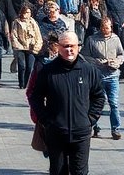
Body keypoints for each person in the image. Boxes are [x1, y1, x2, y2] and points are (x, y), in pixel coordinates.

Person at [29, 32, 107, 175]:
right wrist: (46, 120)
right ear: (58, 47)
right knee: (58, 171)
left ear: (78, 47)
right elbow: (35, 97)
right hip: (56, 132)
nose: (69, 50)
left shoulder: (88, 70)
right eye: (65, 46)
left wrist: (90, 119)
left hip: (81, 133)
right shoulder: (48, 71)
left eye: (72, 46)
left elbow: (99, 96)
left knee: (80, 172)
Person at [83, 16, 124, 140]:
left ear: (111, 27)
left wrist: (117, 62)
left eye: (107, 27)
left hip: (113, 74)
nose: (105, 29)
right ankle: (95, 127)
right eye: (103, 27)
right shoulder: (92, 39)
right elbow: (85, 56)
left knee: (114, 103)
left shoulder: (116, 39)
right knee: (97, 102)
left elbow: (121, 54)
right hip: (98, 75)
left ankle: (115, 129)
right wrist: (97, 62)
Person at [10, 5, 43, 90]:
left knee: (29, 66)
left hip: (31, 47)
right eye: (26, 12)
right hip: (21, 47)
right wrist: (17, 46)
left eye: (29, 12)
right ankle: (21, 83)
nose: (27, 14)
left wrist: (37, 46)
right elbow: (14, 35)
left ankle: (26, 83)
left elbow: (38, 35)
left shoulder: (33, 22)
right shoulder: (16, 22)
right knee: (22, 65)